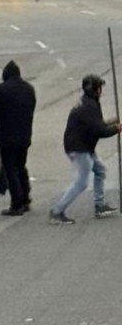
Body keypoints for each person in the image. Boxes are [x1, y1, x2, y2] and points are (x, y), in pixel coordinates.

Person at [49, 75, 122, 225]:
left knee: (100, 170)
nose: (101, 91)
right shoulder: (88, 107)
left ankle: (99, 205)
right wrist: (116, 129)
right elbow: (99, 131)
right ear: (94, 90)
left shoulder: (89, 103)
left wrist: (112, 122)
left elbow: (97, 124)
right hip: (79, 148)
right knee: (81, 182)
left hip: (84, 145)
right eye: (99, 88)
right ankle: (57, 211)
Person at [0, 61, 36, 216]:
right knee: (21, 166)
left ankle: (17, 203)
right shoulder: (29, 89)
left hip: (6, 136)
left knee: (10, 170)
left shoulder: (1, 90)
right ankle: (26, 198)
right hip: (24, 135)